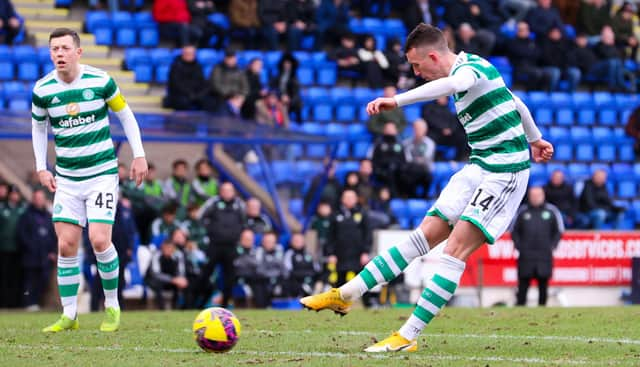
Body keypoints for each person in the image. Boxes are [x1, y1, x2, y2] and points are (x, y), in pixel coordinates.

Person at [300, 23, 553, 352]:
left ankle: (408, 335)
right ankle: (347, 295)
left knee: (454, 250)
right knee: (423, 235)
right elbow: (516, 103)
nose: (417, 73)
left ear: (434, 56)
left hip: (505, 171)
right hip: (479, 164)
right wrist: (536, 138)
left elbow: (453, 83)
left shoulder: (470, 71)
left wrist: (397, 100)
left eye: (418, 66)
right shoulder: (476, 73)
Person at [32, 28, 148, 333]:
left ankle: (112, 305)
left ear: (78, 52)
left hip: (101, 174)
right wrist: (41, 166)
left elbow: (126, 115)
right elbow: (39, 129)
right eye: (54, 48)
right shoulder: (42, 89)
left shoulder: (100, 81)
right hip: (67, 178)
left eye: (65, 48)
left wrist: (138, 155)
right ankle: (69, 314)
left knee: (99, 240)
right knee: (67, 245)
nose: (59, 53)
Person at [511, 187, 564, 306]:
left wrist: (552, 246)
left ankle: (542, 309)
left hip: (544, 255)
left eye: (538, 195)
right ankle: (520, 309)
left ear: (543, 195)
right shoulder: (523, 211)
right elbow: (514, 231)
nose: (535, 198)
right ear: (529, 196)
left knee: (543, 284)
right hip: (526, 255)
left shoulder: (551, 211)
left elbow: (559, 231)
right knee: (523, 284)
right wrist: (519, 246)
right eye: (533, 195)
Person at [145, 239, 188, 310]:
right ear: (162, 247)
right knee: (157, 285)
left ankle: (178, 308)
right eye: (166, 248)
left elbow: (181, 271)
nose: (168, 250)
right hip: (154, 280)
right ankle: (162, 309)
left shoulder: (178, 256)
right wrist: (172, 279)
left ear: (174, 248)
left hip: (172, 280)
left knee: (182, 285)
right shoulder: (156, 255)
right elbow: (156, 274)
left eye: (170, 248)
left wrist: (181, 279)